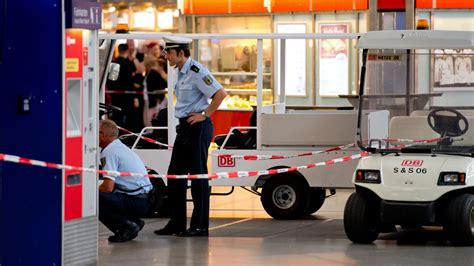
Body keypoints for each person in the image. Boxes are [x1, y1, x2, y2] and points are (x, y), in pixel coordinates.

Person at [154, 36, 227, 237]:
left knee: (198, 177)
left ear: (181, 53)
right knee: (175, 176)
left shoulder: (197, 71)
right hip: (185, 128)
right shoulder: (181, 72)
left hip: (198, 128)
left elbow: (220, 94)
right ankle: (177, 223)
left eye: (169, 52)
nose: (165, 55)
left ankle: (199, 226)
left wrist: (205, 115)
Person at [99, 119, 152, 242]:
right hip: (145, 199)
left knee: (95, 198)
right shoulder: (119, 147)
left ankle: (125, 227)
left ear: (102, 135)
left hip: (138, 201)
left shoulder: (109, 152)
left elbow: (108, 187)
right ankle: (133, 221)